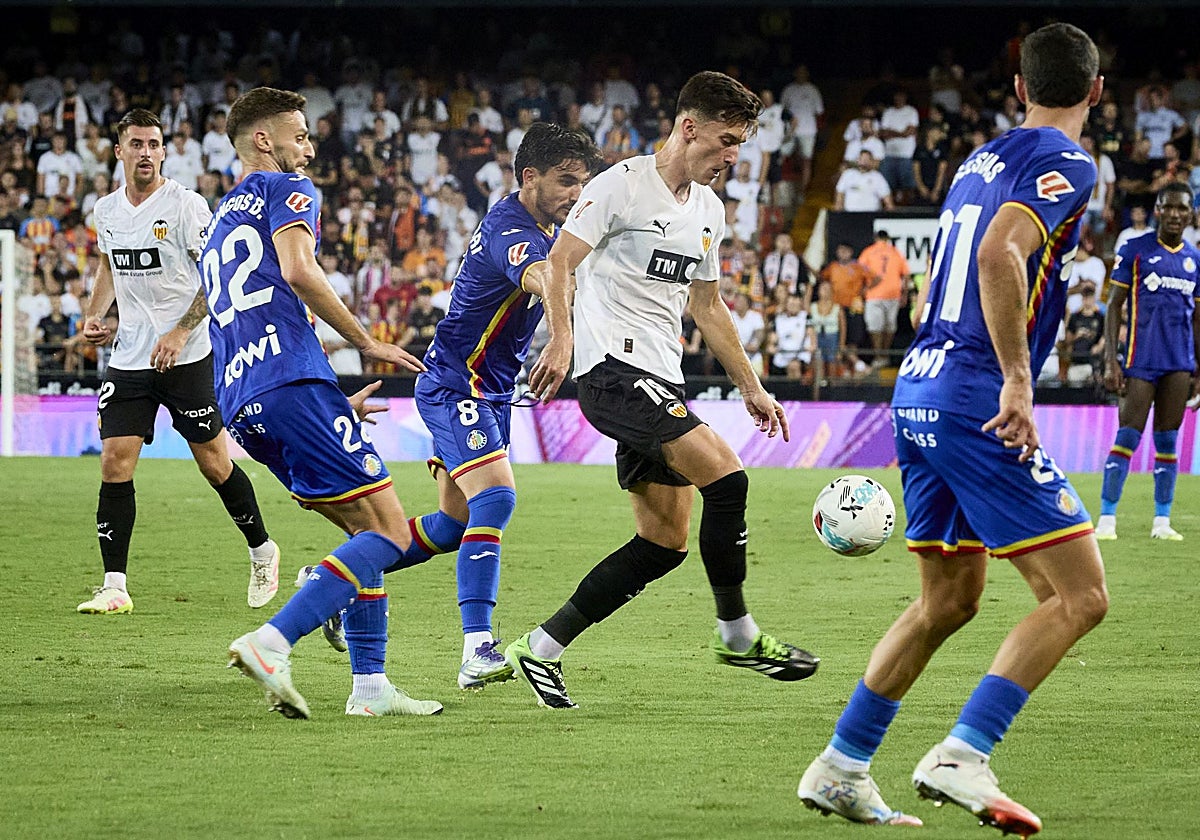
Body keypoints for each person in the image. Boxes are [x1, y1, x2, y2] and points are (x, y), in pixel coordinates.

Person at [798, 23, 1109, 835]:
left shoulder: (979, 161)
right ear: (1096, 91)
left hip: (920, 385)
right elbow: (1000, 253)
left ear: (1020, 88)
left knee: (948, 599)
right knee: (1078, 596)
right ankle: (963, 754)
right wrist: (1017, 378)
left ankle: (841, 766)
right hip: (976, 394)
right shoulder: (1072, 162)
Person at [507, 71, 819, 709]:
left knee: (663, 543)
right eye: (726, 140)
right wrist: (561, 340)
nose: (733, 156)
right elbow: (560, 262)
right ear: (688, 127)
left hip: (659, 377)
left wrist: (752, 387)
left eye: (741, 144)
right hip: (612, 373)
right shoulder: (618, 187)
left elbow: (707, 306)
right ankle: (737, 634)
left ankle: (540, 647)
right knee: (728, 479)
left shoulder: (708, 210)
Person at [336, 122, 601, 690]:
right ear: (529, 177)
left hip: (490, 391)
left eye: (582, 183)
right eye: (565, 181)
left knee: (452, 526)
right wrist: (562, 339)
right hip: (458, 387)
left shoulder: (548, 228)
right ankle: (477, 648)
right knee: (496, 499)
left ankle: (332, 580)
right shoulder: (512, 229)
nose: (576, 194)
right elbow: (543, 276)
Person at [213, 87, 438, 719]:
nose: (309, 150)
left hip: (245, 402)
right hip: (291, 386)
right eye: (302, 135)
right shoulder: (286, 189)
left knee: (365, 535)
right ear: (265, 140)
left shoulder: (220, 220)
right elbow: (299, 271)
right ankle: (273, 641)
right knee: (389, 531)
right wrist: (365, 342)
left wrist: (328, 403)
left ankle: (369, 687)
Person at [75, 109, 281, 616]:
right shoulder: (106, 210)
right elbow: (108, 265)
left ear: (164, 151)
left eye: (154, 144)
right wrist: (96, 314)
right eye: (136, 144)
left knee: (214, 463)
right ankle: (114, 585)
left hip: (188, 356)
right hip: (130, 358)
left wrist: (180, 330)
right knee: (114, 460)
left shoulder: (186, 205)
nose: (146, 152)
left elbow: (215, 275)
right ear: (119, 151)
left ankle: (262, 550)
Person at [1095, 182, 1200, 541]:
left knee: (1168, 441)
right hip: (1140, 360)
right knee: (1127, 436)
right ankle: (1107, 519)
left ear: (1190, 214)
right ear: (1157, 210)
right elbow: (1114, 306)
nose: (1174, 214)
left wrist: (1198, 367)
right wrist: (1111, 361)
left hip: (1179, 364)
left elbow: (1197, 319)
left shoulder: (1194, 259)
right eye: (1168, 207)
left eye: (1182, 208)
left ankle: (1162, 522)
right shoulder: (1135, 250)